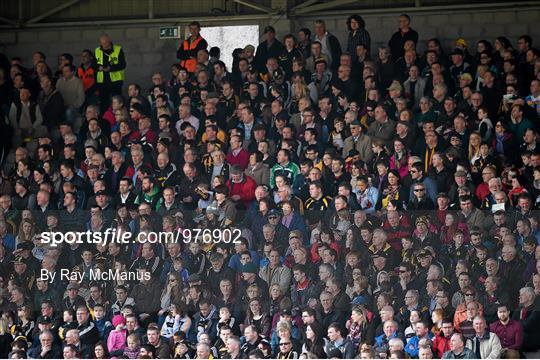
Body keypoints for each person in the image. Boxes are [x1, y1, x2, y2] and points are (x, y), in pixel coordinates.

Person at [95, 34, 126, 111]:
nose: (104, 45)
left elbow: (123, 65)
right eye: (102, 43)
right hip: (102, 82)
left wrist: (111, 68)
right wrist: (99, 67)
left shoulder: (118, 49)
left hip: (115, 83)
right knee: (103, 104)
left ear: (110, 41)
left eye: (106, 43)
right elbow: (93, 65)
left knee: (116, 102)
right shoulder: (97, 50)